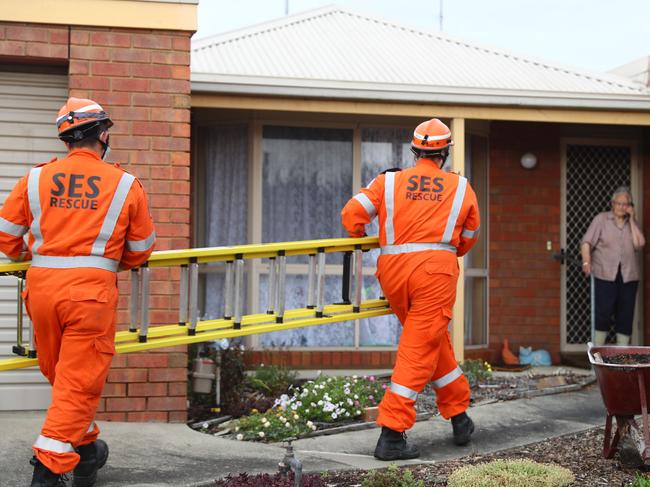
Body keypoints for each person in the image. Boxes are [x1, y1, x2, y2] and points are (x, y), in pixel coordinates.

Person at [0, 97, 156, 486]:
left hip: (41, 290)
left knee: (63, 375)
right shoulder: (125, 184)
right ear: (102, 134)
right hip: (90, 294)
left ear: (66, 138)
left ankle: (86, 449)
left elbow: (6, 238)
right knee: (79, 380)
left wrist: (34, 254)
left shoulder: (34, 179)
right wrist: (105, 260)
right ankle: (48, 470)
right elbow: (140, 250)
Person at [341, 118, 480, 460]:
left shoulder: (388, 181)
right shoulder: (461, 188)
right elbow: (468, 239)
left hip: (393, 275)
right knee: (418, 350)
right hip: (435, 276)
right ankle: (391, 434)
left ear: (415, 150)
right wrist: (443, 252)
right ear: (445, 153)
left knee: (430, 343)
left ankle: (460, 415)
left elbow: (352, 214)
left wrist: (359, 236)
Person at [581, 186, 645, 346]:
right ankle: (597, 353)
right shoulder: (601, 220)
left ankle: (621, 356)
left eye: (626, 204)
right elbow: (586, 242)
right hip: (604, 275)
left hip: (628, 276)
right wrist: (586, 261)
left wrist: (632, 219)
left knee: (625, 315)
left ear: (630, 206)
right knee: (603, 314)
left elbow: (640, 244)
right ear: (612, 203)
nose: (622, 207)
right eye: (619, 203)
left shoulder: (632, 224)